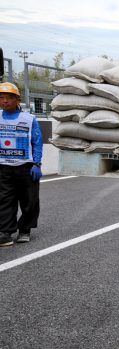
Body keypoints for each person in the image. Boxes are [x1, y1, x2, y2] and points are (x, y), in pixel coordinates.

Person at [0, 82, 43, 246]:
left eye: (9, 98)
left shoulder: (29, 119)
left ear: (17, 99)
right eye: (1, 98)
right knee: (4, 200)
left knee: (29, 200)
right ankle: (5, 232)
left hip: (26, 166)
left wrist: (37, 164)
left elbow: (37, 142)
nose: (4, 101)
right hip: (3, 167)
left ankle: (25, 229)